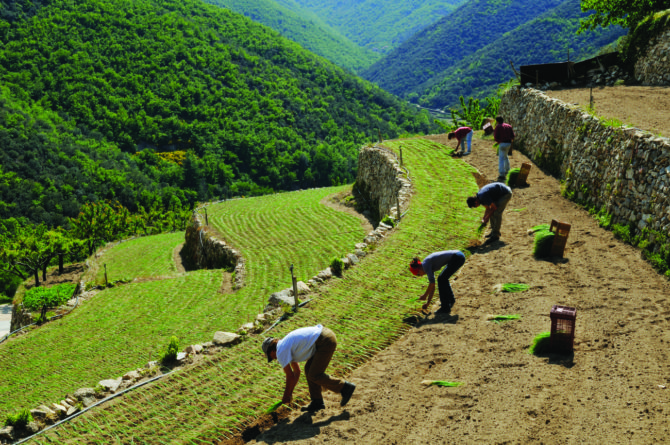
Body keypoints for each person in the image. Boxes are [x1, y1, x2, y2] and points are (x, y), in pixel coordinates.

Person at [262, 325, 356, 413]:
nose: (274, 359)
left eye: (271, 357)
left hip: (324, 341)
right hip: (324, 336)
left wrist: (285, 396)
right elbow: (297, 372)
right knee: (308, 369)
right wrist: (290, 393)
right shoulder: (285, 345)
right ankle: (317, 402)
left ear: (272, 350)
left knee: (314, 374)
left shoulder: (280, 351)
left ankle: (345, 387)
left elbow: (290, 376)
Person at [409, 250, 466, 316]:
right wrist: (428, 303)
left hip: (457, 257)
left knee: (442, 279)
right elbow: (432, 286)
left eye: (418, 274)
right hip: (458, 256)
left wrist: (425, 295)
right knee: (442, 279)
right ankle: (450, 300)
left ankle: (445, 307)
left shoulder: (426, 266)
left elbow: (432, 284)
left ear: (419, 269)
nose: (421, 275)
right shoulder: (426, 265)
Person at [493, 116, 515, 182]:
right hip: (509, 143)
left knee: (501, 158)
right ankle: (508, 170)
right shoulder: (509, 126)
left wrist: (498, 141)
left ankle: (502, 174)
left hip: (502, 143)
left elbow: (495, 136)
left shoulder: (498, 126)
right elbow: (513, 136)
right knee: (506, 156)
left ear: (497, 121)